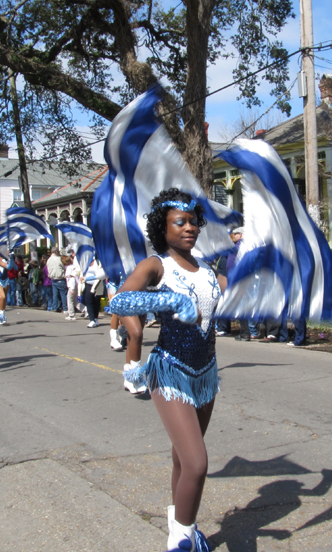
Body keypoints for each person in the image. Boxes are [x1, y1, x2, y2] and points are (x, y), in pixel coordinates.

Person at [110, 189, 222, 552]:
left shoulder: (207, 268)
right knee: (197, 462)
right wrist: (169, 300)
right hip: (169, 372)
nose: (189, 228)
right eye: (180, 222)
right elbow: (120, 300)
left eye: (193, 222)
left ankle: (179, 520)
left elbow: (219, 300)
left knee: (181, 457)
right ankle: (183, 540)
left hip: (205, 375)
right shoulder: (156, 265)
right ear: (163, 228)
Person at [46, 247, 67, 313]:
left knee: (55, 294)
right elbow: (64, 267)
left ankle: (55, 307)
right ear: (56, 252)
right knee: (63, 294)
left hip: (52, 278)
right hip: (60, 278)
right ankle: (65, 308)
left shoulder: (49, 260)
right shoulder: (59, 259)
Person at [64, 253, 80, 320]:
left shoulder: (69, 268)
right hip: (75, 285)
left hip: (72, 286)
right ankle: (86, 310)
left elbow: (72, 278)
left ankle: (71, 315)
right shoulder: (74, 266)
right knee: (76, 301)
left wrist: (71, 288)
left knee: (70, 300)